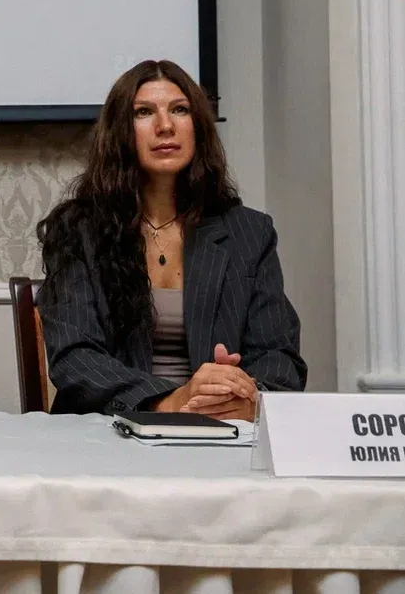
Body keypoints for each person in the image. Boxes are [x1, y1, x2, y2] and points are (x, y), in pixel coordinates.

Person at [35, 60, 306, 418]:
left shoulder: (249, 233)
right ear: (120, 131)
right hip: (109, 429)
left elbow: (279, 355)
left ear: (198, 127)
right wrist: (168, 400)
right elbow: (75, 358)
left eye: (180, 110)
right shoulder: (77, 229)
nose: (165, 126)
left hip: (218, 427)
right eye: (144, 112)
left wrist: (244, 392)